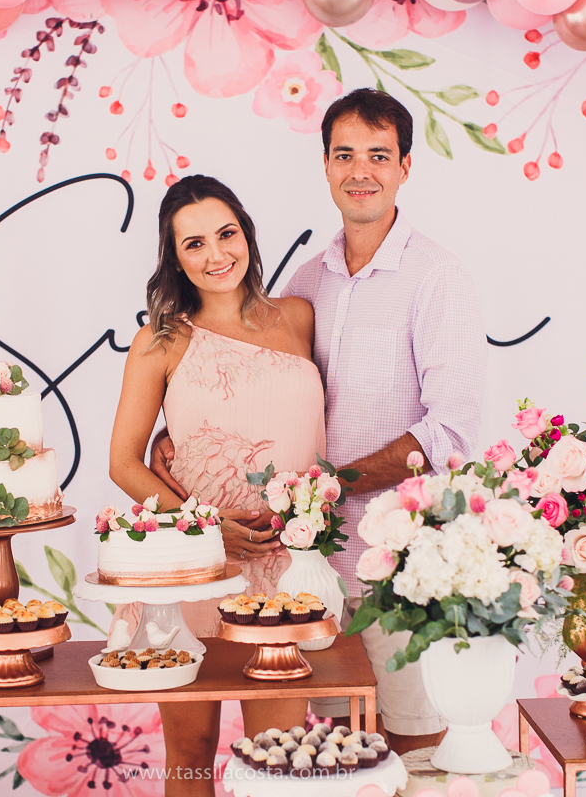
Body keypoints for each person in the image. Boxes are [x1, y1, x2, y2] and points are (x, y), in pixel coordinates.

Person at [152, 88, 488, 755]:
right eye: (344, 155)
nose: (360, 170)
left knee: (415, 743)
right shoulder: (307, 283)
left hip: (401, 565)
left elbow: (450, 429)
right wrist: (175, 437)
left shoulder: (436, 277)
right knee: (335, 749)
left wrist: (327, 486)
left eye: (378, 155)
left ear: (405, 168)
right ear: (326, 166)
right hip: (309, 571)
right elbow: (260, 390)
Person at [108, 175, 324, 796]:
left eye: (226, 234)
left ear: (248, 237)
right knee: (191, 752)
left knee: (280, 756)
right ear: (174, 258)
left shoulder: (299, 318)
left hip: (288, 566)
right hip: (192, 566)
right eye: (193, 244)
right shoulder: (161, 341)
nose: (215, 255)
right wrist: (205, 527)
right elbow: (125, 462)